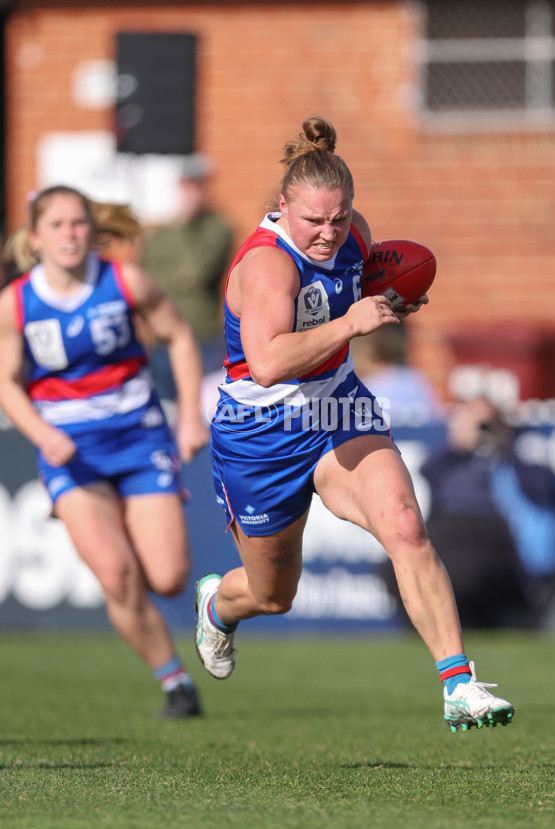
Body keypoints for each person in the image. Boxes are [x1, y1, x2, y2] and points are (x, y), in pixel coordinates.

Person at [193, 115, 514, 733]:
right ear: (283, 206)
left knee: (405, 525)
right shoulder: (267, 266)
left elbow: (361, 288)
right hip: (261, 433)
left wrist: (394, 297)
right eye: (314, 220)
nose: (328, 234)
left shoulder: (353, 235)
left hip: (338, 405)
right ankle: (218, 605)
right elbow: (265, 363)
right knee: (271, 594)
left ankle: (459, 683)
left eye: (339, 219)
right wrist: (351, 324)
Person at [0, 185, 210, 719]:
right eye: (58, 225)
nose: (70, 234)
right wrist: (42, 435)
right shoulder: (17, 302)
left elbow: (180, 338)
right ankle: (175, 682)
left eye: (78, 223)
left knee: (167, 578)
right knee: (116, 577)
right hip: (72, 454)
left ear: (92, 231)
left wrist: (188, 415)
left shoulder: (124, 280)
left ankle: (177, 593)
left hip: (140, 440)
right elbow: (5, 381)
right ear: (35, 237)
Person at [420, 395, 555, 628]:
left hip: (492, 535)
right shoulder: (453, 459)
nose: (484, 429)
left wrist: (506, 445)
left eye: (489, 422)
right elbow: (426, 472)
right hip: (446, 531)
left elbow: (541, 490)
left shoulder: (518, 455)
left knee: (467, 568)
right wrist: (458, 443)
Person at [142, 153, 234, 395]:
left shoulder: (218, 228)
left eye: (198, 184)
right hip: (162, 339)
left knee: (199, 410)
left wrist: (187, 224)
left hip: (200, 334)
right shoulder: (161, 233)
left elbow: (196, 273)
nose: (192, 191)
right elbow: (147, 282)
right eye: (187, 184)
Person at [350, 322, 445, 425]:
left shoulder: (412, 381)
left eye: (352, 349)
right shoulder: (355, 388)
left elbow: (435, 423)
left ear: (366, 350)